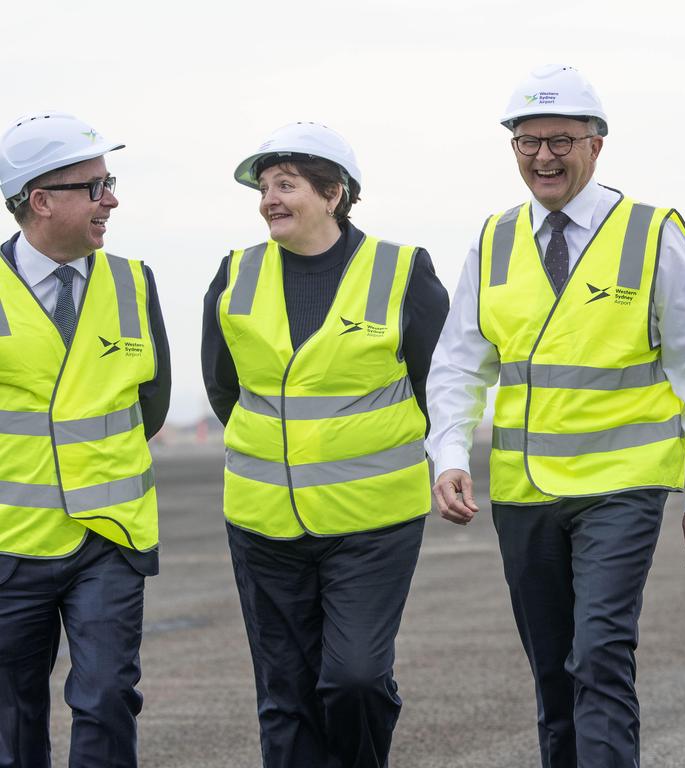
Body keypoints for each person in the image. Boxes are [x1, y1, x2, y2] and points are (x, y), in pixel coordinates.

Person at [427, 64, 685, 767]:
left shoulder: (651, 234)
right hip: (524, 490)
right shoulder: (494, 238)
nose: (543, 157)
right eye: (527, 143)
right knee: (551, 673)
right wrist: (448, 455)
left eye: (561, 141)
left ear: (597, 145)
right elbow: (458, 362)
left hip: (622, 486)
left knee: (599, 653)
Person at [201, 121, 448, 768]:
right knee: (284, 696)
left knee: (355, 679)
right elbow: (224, 388)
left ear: (334, 193)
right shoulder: (234, 274)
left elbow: (438, 387)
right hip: (262, 522)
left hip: (372, 521)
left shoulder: (402, 272)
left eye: (286, 185)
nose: (269, 200)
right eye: (264, 188)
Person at [0, 112, 171, 767]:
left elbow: (152, 401)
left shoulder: (134, 282)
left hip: (110, 537)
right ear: (40, 201)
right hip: (10, 544)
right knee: (12, 716)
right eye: (94, 187)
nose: (112, 200)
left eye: (110, 183)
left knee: (106, 697)